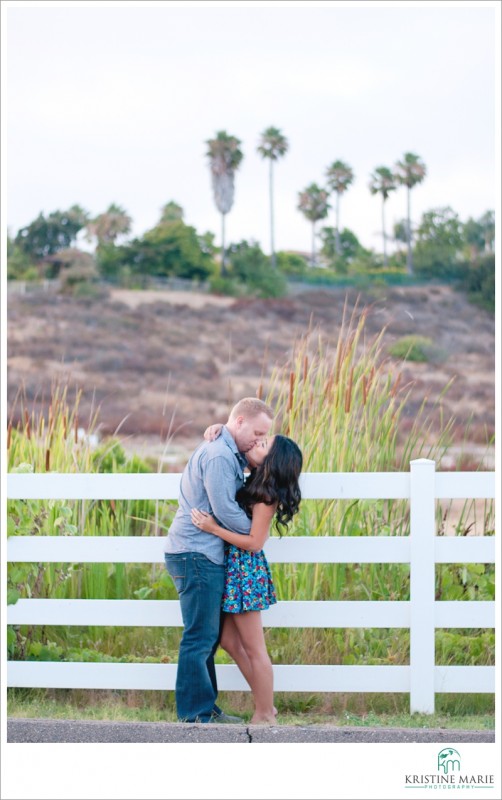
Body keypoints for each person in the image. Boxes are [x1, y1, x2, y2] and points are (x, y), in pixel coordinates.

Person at [163, 397, 274, 723]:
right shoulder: (218, 456)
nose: (258, 440)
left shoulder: (228, 453)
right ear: (238, 421)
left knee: (208, 636)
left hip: (202, 552)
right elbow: (224, 510)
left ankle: (204, 708)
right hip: (195, 552)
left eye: (264, 436)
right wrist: (254, 534)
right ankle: (195, 714)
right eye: (256, 432)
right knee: (200, 636)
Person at [191, 433, 303, 724]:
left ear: (272, 461)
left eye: (263, 445)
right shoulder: (254, 483)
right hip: (235, 569)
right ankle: (266, 703)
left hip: (245, 572)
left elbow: (255, 543)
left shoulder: (267, 496)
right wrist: (219, 427)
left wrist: (214, 529)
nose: (256, 444)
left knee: (255, 648)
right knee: (228, 640)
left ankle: (265, 713)